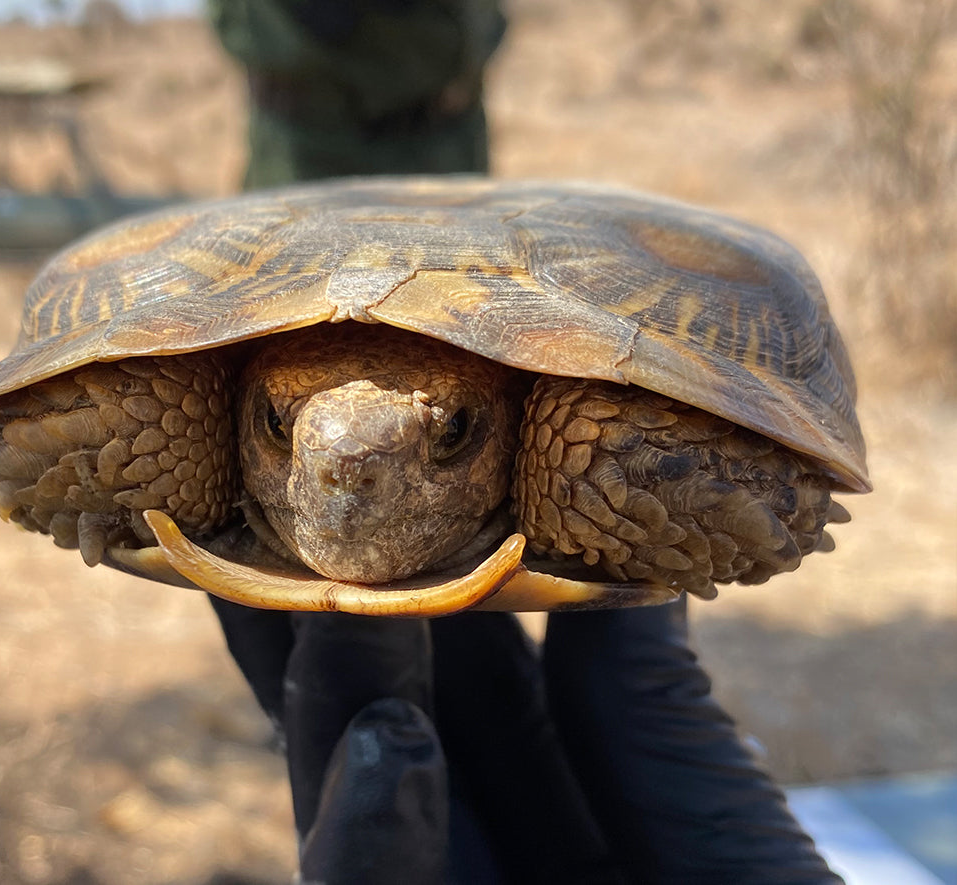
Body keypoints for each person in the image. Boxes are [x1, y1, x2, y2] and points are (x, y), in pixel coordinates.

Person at [207, 2, 841, 881]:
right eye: (282, 428)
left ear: (502, 429)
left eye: (455, 435)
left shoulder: (562, 435)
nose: (346, 482)